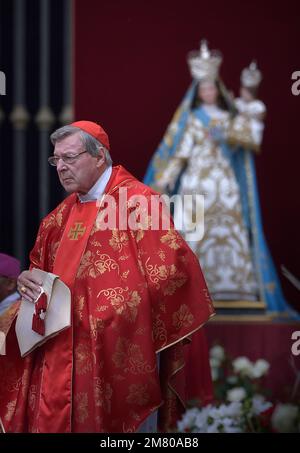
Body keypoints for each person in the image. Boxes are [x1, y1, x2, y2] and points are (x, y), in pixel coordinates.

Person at [0, 120, 215, 433]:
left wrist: (109, 311)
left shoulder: (138, 203)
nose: (60, 167)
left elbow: (173, 271)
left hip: (117, 349)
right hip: (57, 354)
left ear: (99, 156)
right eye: (55, 159)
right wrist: (26, 281)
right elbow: (39, 273)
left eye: (69, 158)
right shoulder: (57, 219)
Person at [144, 40, 298, 318]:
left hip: (225, 185)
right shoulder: (191, 120)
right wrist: (165, 180)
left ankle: (231, 288)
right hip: (197, 182)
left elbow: (250, 139)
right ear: (197, 92)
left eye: (212, 87)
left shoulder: (231, 116)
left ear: (219, 89)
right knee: (193, 232)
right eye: (203, 88)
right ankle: (190, 288)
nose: (208, 92)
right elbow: (180, 153)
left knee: (228, 230)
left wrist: (248, 104)